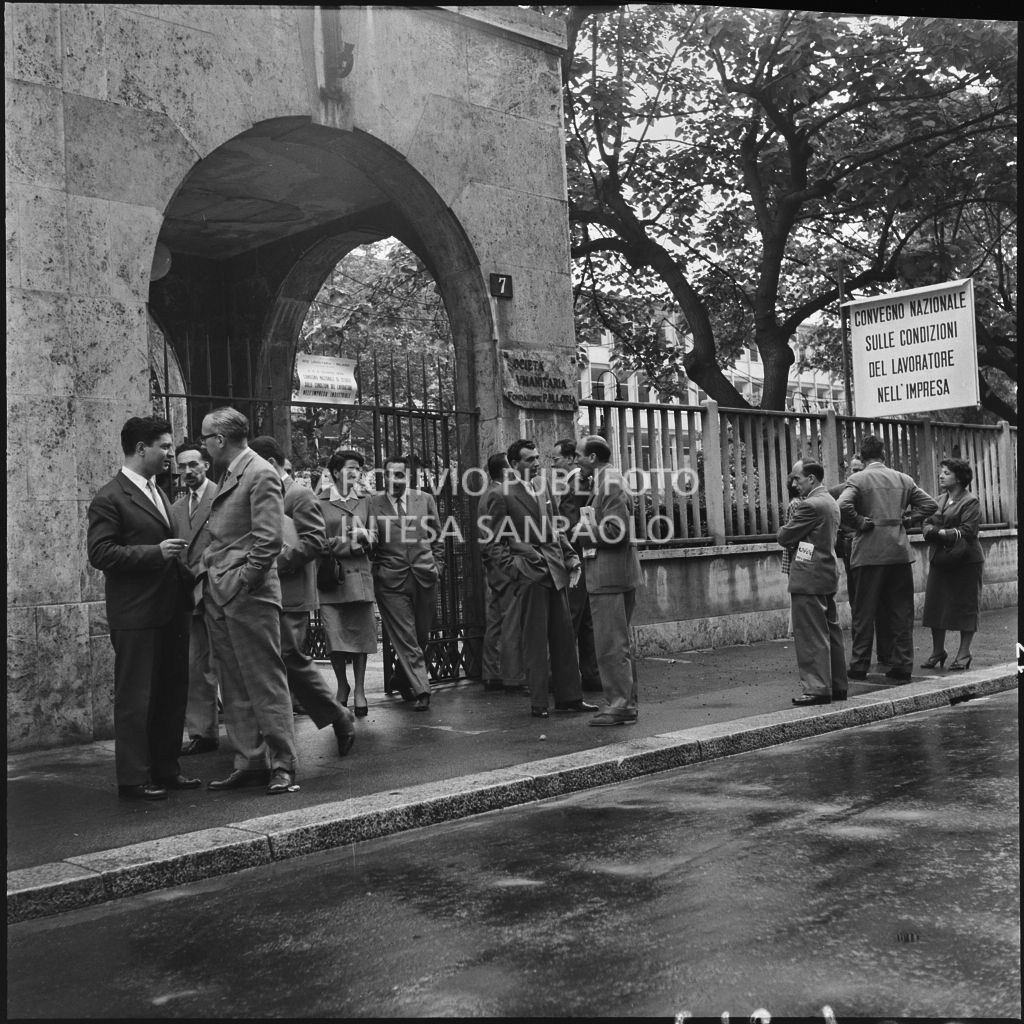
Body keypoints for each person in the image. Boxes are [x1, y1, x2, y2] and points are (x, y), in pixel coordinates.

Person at [86, 416, 195, 800]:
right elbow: (100, 553)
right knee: (136, 696)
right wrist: (156, 553)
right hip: (135, 614)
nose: (171, 454)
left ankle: (166, 769)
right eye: (164, 446)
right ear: (139, 449)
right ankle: (133, 777)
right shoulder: (110, 496)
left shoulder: (157, 491)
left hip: (169, 610)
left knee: (170, 692)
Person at [198, 407, 299, 795]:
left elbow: (269, 540)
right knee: (234, 683)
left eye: (206, 438)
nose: (204, 445)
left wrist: (242, 580)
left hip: (246, 594)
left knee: (264, 682)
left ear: (220, 440)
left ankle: (282, 764)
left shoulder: (259, 473)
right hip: (222, 593)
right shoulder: (230, 471)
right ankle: (249, 761)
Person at [249, 436, 356, 757]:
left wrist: (273, 564)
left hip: (292, 592)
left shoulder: (299, 494)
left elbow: (314, 543)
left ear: (268, 462)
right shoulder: (262, 492)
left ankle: (338, 714)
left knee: (290, 658)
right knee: (279, 661)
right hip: (268, 593)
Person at [488, 439, 595, 719]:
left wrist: (571, 557)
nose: (536, 463)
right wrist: (514, 569)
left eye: (537, 457)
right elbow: (492, 542)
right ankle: (538, 702)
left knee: (563, 636)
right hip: (529, 574)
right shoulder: (501, 494)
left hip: (555, 570)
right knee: (535, 641)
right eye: (529, 459)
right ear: (514, 465)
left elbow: (557, 526)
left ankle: (569, 698)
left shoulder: (543, 486)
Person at [838, 435, 938, 682]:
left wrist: (860, 521)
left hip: (868, 553)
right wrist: (908, 519)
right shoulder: (903, 479)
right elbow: (930, 505)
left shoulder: (857, 479)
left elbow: (841, 505)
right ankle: (902, 664)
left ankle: (859, 664)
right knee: (901, 611)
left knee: (863, 611)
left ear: (862, 456)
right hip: (899, 553)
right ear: (884, 455)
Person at [364, 454, 444, 711]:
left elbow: (437, 538)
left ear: (407, 476)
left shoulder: (425, 499)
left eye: (399, 475)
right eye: (389, 474)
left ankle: (401, 677)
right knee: (407, 637)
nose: (394, 479)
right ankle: (422, 689)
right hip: (391, 580)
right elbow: (371, 539)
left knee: (421, 635)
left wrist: (437, 567)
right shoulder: (373, 503)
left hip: (424, 575)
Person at [575, 435, 644, 725]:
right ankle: (625, 701)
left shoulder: (610, 483)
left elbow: (616, 533)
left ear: (592, 457)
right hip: (615, 573)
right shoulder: (607, 480)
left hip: (609, 575)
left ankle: (619, 704)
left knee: (610, 644)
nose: (575, 459)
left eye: (579, 455)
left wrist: (582, 532)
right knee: (618, 642)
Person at [777, 461, 848, 705]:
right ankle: (837, 685)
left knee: (810, 635)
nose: (794, 483)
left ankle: (817, 688)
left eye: (798, 478)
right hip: (826, 571)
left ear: (812, 479)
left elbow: (784, 536)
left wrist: (788, 533)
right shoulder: (829, 501)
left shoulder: (809, 505)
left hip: (808, 576)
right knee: (831, 632)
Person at [317, 448, 377, 717]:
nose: (355, 473)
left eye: (359, 469)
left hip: (360, 578)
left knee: (361, 636)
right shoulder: (318, 502)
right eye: (351, 467)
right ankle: (342, 685)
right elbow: (315, 541)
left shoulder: (367, 501)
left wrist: (367, 535)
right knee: (335, 637)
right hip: (331, 578)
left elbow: (377, 536)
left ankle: (360, 690)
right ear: (335, 472)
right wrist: (347, 543)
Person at [169, 441, 221, 756]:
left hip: (219, 591)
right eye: (182, 467)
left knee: (231, 664)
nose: (188, 471)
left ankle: (251, 736)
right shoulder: (175, 507)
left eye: (193, 465)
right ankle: (203, 733)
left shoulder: (222, 497)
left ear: (205, 465)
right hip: (190, 599)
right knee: (196, 665)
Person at [920, 458, 985, 671]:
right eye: (942, 472)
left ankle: (964, 653)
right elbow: (927, 522)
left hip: (966, 561)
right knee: (935, 605)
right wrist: (931, 530)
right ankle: (937, 651)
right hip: (941, 560)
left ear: (959, 478)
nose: (941, 476)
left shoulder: (970, 501)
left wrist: (939, 532)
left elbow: (968, 530)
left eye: (946, 473)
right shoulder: (938, 500)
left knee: (965, 606)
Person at [549, 438, 603, 693]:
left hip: (578, 557)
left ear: (570, 459)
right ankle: (590, 674)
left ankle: (564, 676)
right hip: (587, 555)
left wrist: (569, 557)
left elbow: (570, 526)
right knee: (586, 620)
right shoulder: (580, 481)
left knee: (571, 617)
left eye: (556, 459)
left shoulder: (574, 483)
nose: (553, 464)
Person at [477, 452, 523, 693]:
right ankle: (510, 675)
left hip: (496, 566)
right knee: (511, 622)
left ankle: (492, 673)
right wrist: (508, 567)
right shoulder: (498, 494)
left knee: (496, 620)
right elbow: (494, 537)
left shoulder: (489, 493)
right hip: (504, 566)